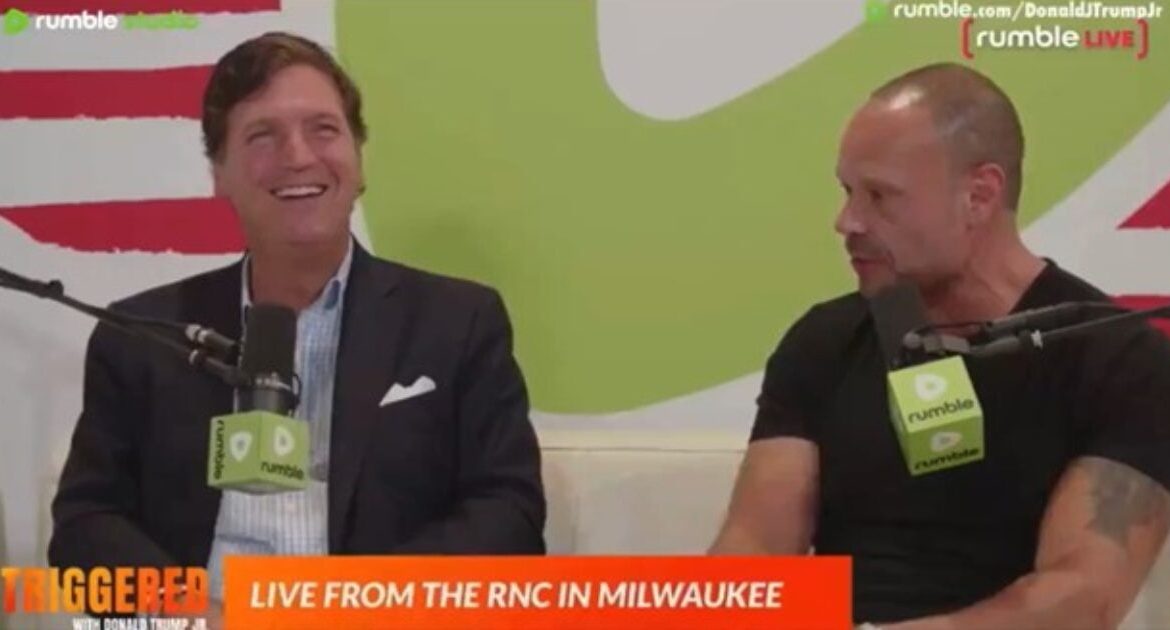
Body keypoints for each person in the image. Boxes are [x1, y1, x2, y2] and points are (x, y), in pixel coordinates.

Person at [48, 31, 546, 617]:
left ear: (358, 158)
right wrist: (192, 613)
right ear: (219, 172)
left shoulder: (457, 323)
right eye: (263, 135)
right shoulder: (143, 335)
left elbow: (508, 516)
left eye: (323, 129)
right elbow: (86, 525)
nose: (299, 156)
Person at [709, 62, 1170, 628]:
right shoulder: (825, 341)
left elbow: (1082, 596)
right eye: (848, 192)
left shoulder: (1119, 359)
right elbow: (754, 552)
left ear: (979, 195)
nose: (847, 222)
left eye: (880, 196)